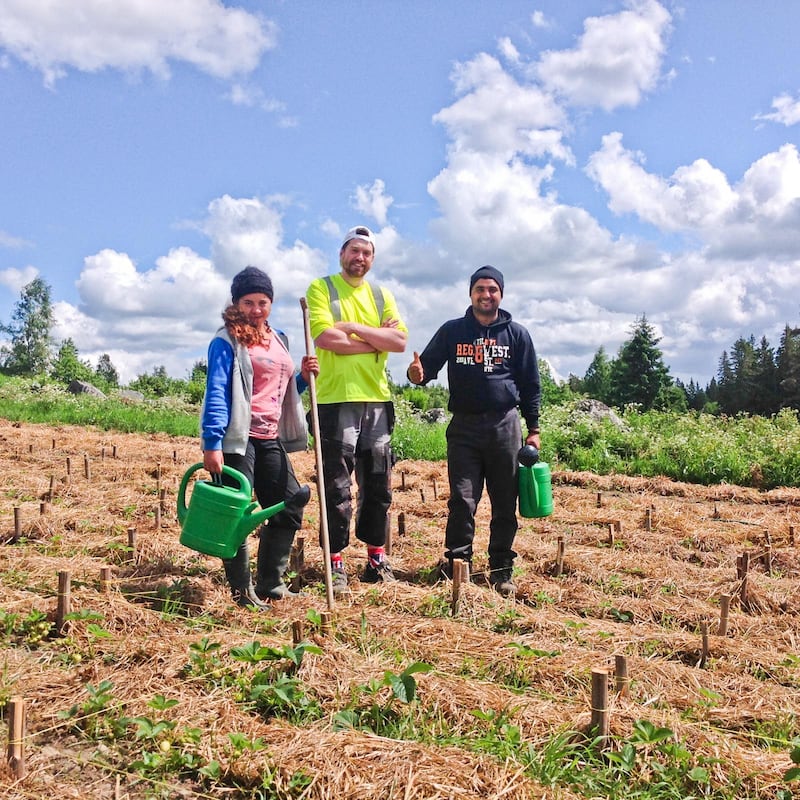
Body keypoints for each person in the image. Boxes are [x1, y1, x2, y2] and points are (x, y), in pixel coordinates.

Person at [406, 265, 541, 596]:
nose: (486, 294)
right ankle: (457, 564)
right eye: (480, 288)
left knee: (505, 502)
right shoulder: (453, 331)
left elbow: (531, 385)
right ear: (471, 294)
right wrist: (415, 374)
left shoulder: (518, 335)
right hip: (464, 428)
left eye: (492, 289)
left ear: (501, 295)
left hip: (504, 426)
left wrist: (533, 429)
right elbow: (425, 370)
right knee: (463, 500)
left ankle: (501, 568)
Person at [201, 266, 319, 609]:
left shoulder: (279, 337)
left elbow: (280, 391)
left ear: (271, 302)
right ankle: (241, 591)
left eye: (262, 302)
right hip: (238, 438)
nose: (256, 309)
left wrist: (303, 377)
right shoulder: (226, 340)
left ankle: (271, 582)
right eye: (248, 302)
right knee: (235, 513)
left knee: (289, 503)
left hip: (271, 436)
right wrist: (212, 443)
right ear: (236, 303)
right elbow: (217, 392)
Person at [306, 226, 408, 594]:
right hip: (334, 400)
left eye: (366, 252)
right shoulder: (322, 288)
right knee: (336, 485)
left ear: (373, 258)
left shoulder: (382, 294)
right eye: (354, 250)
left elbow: (398, 341)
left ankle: (376, 558)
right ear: (341, 254)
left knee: (378, 482)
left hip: (377, 400)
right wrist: (374, 340)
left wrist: (352, 329)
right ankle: (335, 562)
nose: (359, 258)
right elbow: (325, 338)